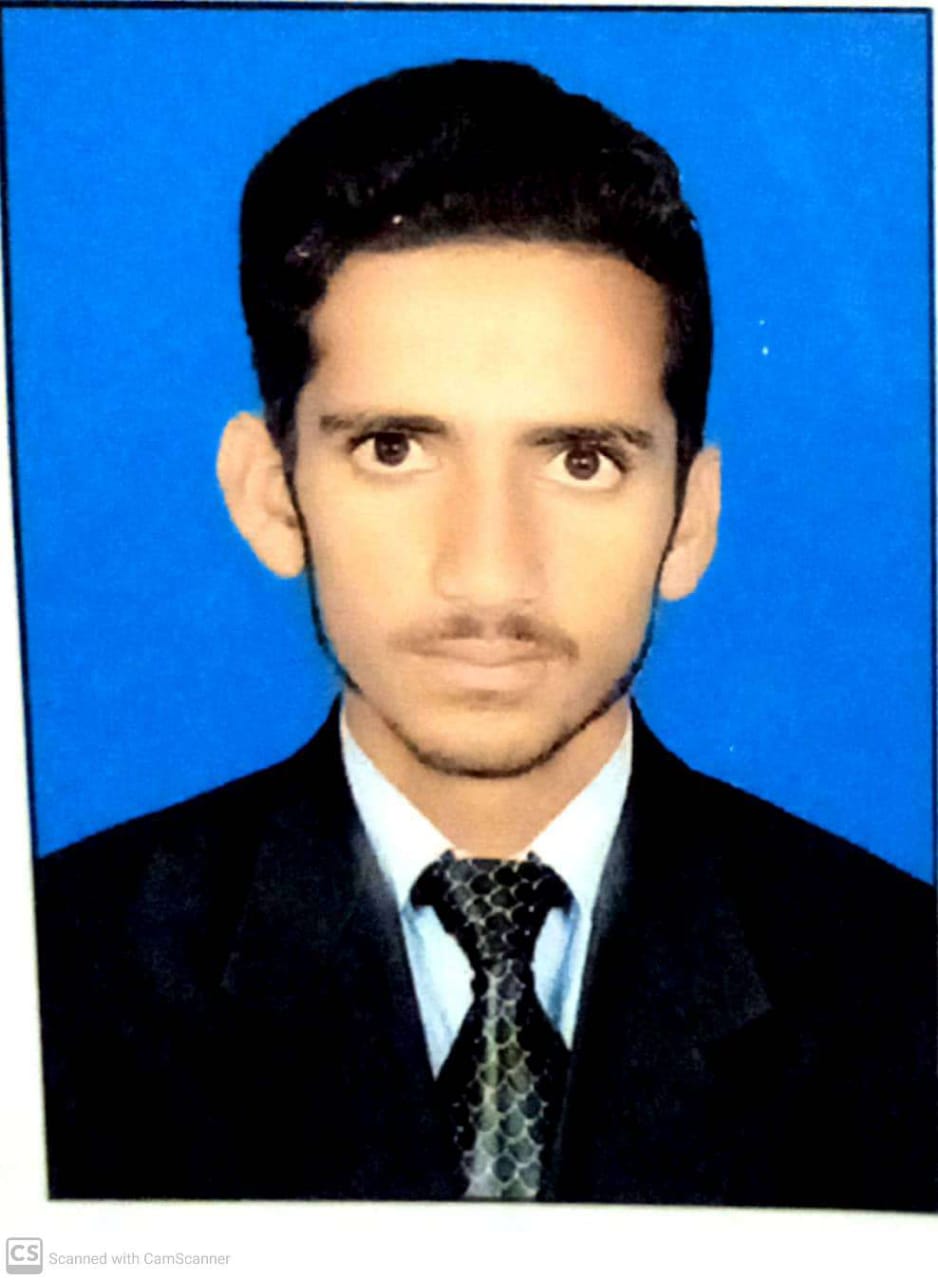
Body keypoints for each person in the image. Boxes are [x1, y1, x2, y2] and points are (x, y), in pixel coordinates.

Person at [34, 58, 935, 1209]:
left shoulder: (904, 984)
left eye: (580, 459)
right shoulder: (50, 975)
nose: (488, 569)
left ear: (689, 518)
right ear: (270, 495)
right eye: (394, 449)